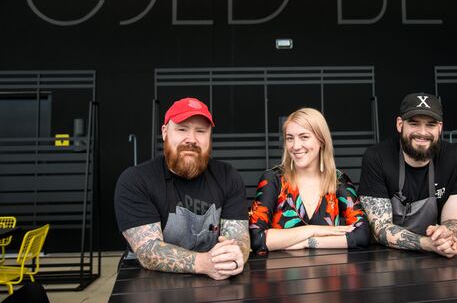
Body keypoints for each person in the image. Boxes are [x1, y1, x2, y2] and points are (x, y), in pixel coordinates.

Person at [114, 97, 250, 280]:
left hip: (215, 278)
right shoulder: (136, 181)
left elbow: (239, 238)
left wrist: (235, 255)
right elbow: (148, 250)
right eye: (182, 129)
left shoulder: (228, 177)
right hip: (148, 282)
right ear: (165, 132)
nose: (191, 139)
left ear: (209, 136)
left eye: (200, 131)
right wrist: (204, 263)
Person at [359, 93, 457, 258]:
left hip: (435, 258)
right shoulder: (376, 157)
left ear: (440, 127)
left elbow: (455, 220)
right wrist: (427, 244)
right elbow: (380, 229)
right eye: (414, 123)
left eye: (430, 125)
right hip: (386, 258)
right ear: (400, 124)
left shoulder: (454, 157)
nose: (422, 132)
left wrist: (447, 235)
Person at [249, 108, 370, 253]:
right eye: (290, 138)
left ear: (321, 140)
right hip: (279, 273)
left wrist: (308, 242)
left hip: (329, 272)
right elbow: (256, 238)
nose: (295, 146)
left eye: (304, 137)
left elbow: (362, 235)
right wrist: (312, 230)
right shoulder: (273, 179)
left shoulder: (338, 181)